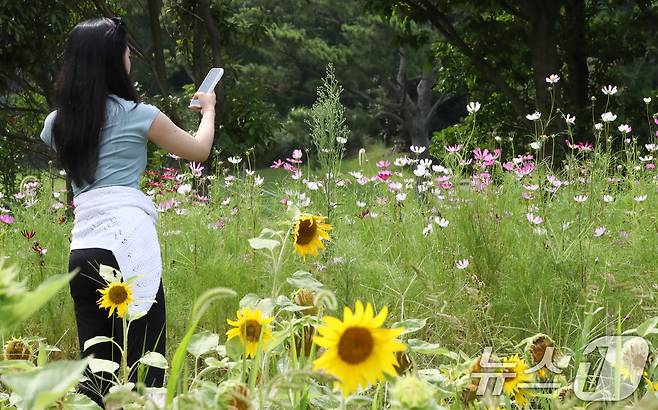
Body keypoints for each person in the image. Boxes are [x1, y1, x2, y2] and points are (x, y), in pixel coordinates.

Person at [39, 17, 217, 407]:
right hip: (128, 246)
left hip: (83, 249)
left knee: (95, 372)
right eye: (125, 51)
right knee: (146, 364)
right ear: (114, 61)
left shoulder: (56, 123)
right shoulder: (141, 115)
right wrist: (208, 110)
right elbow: (198, 150)